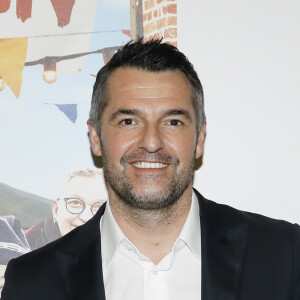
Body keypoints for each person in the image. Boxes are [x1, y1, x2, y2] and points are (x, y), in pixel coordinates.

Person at [2, 38, 300, 300]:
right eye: (128, 121)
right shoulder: (32, 282)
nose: (152, 142)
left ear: (198, 139)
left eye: (173, 122)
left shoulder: (284, 255)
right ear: (96, 138)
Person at [24, 169, 108, 250]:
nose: (86, 217)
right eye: (75, 203)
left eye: (99, 206)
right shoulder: (20, 250)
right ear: (56, 210)